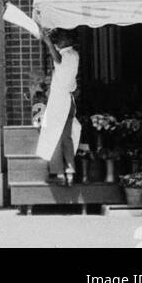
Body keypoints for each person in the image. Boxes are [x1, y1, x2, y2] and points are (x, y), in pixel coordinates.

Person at [34, 23, 81, 184]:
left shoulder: (65, 56)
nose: (58, 42)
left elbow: (57, 57)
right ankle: (70, 171)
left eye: (60, 39)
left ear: (66, 40)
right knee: (66, 138)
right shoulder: (74, 55)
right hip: (68, 102)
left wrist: (47, 41)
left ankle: (59, 173)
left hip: (59, 103)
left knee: (54, 135)